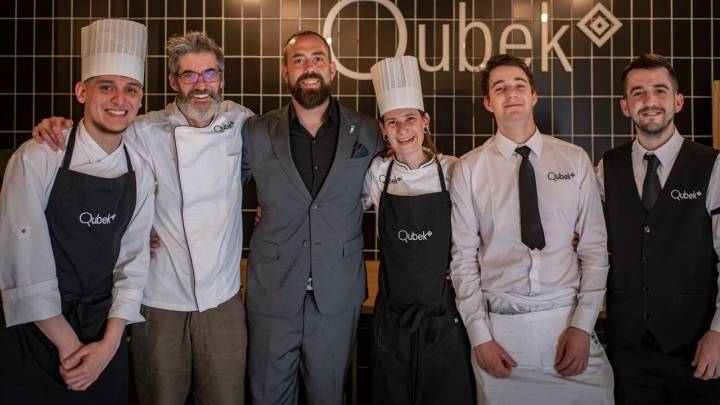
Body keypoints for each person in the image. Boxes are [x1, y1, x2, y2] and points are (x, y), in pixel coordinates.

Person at [30, 31, 253, 405]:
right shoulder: (142, 130)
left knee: (226, 398)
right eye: (189, 76)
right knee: (158, 397)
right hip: (159, 298)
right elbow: (93, 137)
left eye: (210, 74)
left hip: (223, 298)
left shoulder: (243, 122)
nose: (201, 85)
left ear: (222, 79)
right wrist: (56, 127)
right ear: (173, 82)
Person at [0, 19, 155, 404]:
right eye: (107, 86)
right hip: (39, 333)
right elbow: (22, 260)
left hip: (104, 332)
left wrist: (108, 345)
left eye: (130, 89)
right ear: (82, 91)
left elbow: (133, 261)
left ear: (140, 99)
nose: (120, 99)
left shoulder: (142, 168)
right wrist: (71, 349)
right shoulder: (37, 158)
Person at [449, 54, 614, 404]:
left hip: (568, 325)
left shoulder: (573, 159)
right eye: (500, 87)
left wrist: (583, 326)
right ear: (487, 102)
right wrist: (480, 337)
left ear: (534, 96)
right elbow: (462, 260)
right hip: (502, 336)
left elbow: (595, 251)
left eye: (519, 85)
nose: (511, 93)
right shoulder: (468, 169)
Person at [241, 30, 384, 405]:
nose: (309, 67)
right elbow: (214, 191)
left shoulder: (368, 130)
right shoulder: (255, 132)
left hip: (337, 294)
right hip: (272, 292)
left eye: (318, 58)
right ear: (285, 71)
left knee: (327, 397)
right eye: (299, 59)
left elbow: (400, 178)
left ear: (333, 69)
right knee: (267, 397)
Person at [598, 53, 720, 404]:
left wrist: (718, 333)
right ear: (625, 106)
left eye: (660, 91)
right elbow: (581, 230)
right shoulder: (607, 169)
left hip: (696, 348)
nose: (649, 101)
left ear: (677, 101)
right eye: (638, 92)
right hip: (628, 351)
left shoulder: (711, 166)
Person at [361, 55, 475, 404]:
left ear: (425, 121)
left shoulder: (454, 169)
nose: (402, 128)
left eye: (410, 118)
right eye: (392, 121)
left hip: (444, 312)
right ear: (383, 129)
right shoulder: (377, 173)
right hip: (393, 314)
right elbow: (335, 210)